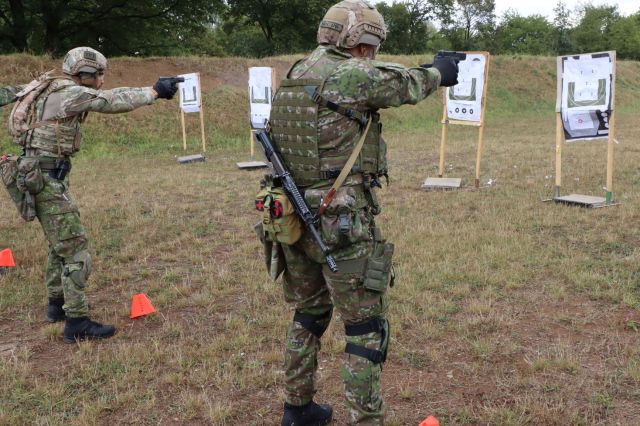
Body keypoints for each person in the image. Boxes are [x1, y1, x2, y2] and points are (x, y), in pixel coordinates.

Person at [257, 1, 460, 424]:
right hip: (339, 224)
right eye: (372, 46)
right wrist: (440, 72)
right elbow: (405, 84)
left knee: (309, 314)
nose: (372, 53)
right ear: (362, 41)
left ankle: (297, 409)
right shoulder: (348, 73)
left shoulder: (297, 72)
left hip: (291, 217)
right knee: (366, 329)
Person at [0, 47, 180, 343]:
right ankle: (76, 322)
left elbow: (9, 93)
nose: (102, 79)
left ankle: (57, 305)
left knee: (59, 243)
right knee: (75, 249)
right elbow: (111, 101)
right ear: (84, 74)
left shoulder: (47, 85)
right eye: (98, 74)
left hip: (39, 174)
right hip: (46, 178)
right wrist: (154, 92)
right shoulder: (70, 93)